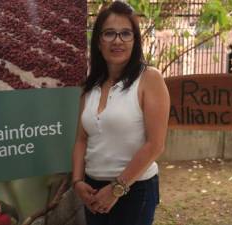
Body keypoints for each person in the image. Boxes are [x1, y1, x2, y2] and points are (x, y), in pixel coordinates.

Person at [72, 1, 170, 225]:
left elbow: (156, 145)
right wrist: (77, 181)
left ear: (135, 41)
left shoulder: (149, 79)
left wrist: (117, 188)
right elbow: (81, 139)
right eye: (109, 33)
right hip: (92, 190)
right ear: (98, 41)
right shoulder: (90, 86)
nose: (117, 40)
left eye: (126, 33)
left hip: (134, 190)